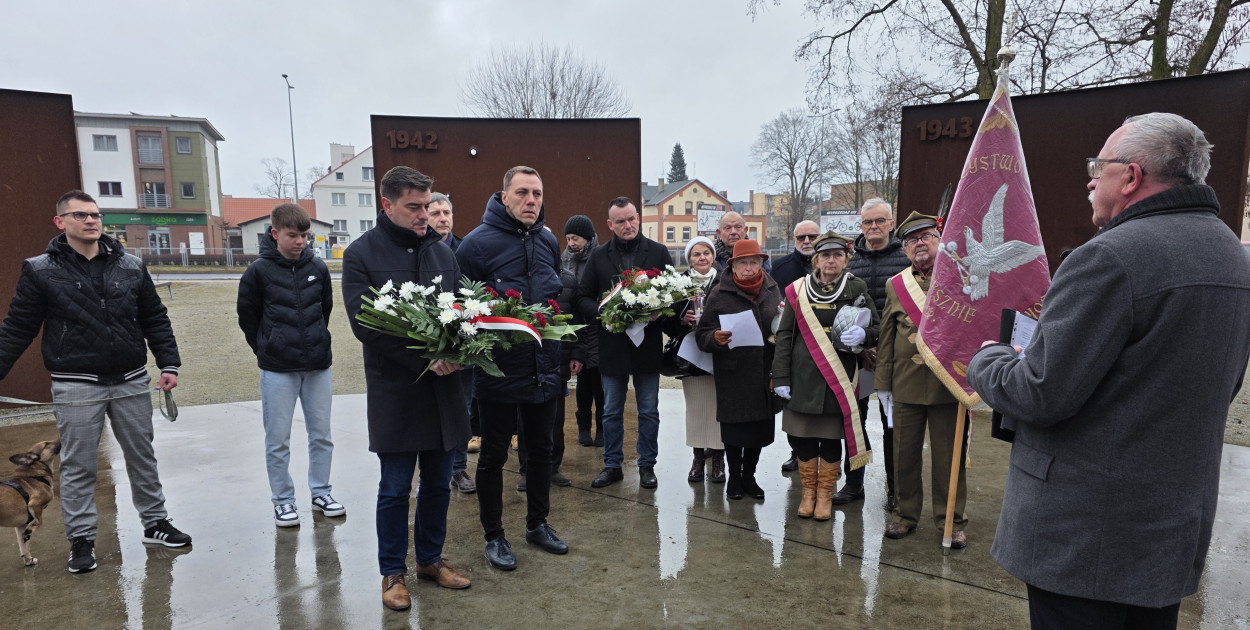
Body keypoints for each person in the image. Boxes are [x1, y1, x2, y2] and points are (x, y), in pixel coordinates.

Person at [966, 113, 1250, 629]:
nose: (1091, 179)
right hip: (1169, 530)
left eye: (1100, 166)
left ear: (1132, 177)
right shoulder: (1232, 256)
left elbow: (1040, 393)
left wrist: (989, 355)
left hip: (1083, 539)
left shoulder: (1109, 258)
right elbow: (1219, 386)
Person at [0, 190, 190, 574]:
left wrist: (168, 362)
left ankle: (155, 524)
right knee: (78, 465)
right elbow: (17, 328)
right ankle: (82, 541)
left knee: (142, 456)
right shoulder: (40, 270)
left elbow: (154, 318)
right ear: (61, 222)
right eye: (81, 215)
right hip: (76, 383)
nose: (91, 220)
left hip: (132, 379)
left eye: (96, 214)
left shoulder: (131, 266)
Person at [343, 167, 470, 608]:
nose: (424, 215)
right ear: (387, 205)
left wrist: (461, 348)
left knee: (438, 482)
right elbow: (366, 325)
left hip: (443, 390)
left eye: (427, 205)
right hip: (396, 389)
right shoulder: (361, 254)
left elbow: (458, 313)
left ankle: (430, 560)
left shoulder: (442, 253)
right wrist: (424, 359)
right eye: (414, 207)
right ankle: (392, 573)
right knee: (397, 487)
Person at [457, 166, 568, 571]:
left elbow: (554, 299)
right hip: (499, 373)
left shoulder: (548, 240)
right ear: (504, 196)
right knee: (493, 455)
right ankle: (494, 536)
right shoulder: (475, 245)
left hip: (543, 368)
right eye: (522, 193)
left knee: (541, 451)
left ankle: (537, 524)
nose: (531, 201)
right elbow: (459, 308)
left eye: (537, 194)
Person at [237, 203, 344, 527]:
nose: (300, 242)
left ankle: (321, 492)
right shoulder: (258, 272)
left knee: (322, 435)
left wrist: (314, 343)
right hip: (278, 370)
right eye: (292, 235)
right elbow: (248, 318)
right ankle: (283, 501)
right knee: (278, 440)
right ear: (275, 233)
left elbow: (324, 309)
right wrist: (269, 348)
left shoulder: (318, 268)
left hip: (317, 367)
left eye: (304, 236)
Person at [874, 212, 967, 547]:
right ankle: (904, 515)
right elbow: (886, 336)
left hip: (947, 384)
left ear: (940, 240)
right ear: (904, 250)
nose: (920, 244)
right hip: (906, 384)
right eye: (912, 240)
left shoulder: (961, 279)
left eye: (926, 236)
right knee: (904, 455)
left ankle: (951, 521)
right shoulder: (896, 285)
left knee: (948, 458)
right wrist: (883, 385)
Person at [772, 232, 878, 520]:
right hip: (802, 377)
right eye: (825, 255)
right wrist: (780, 377)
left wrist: (865, 334)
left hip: (839, 379)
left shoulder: (856, 287)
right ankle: (808, 493)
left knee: (831, 440)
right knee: (804, 438)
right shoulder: (798, 290)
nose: (831, 260)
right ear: (815, 260)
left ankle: (825, 496)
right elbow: (784, 336)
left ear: (846, 259)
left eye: (837, 255)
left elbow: (877, 328)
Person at [577, 197, 674, 489]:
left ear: (638, 218)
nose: (627, 225)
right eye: (620, 221)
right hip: (613, 346)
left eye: (631, 218)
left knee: (648, 410)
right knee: (610, 410)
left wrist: (660, 311)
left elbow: (673, 295)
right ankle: (612, 465)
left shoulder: (658, 252)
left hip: (647, 345)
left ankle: (646, 465)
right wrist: (603, 312)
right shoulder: (598, 256)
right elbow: (583, 297)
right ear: (610, 224)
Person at [694, 239, 782, 500]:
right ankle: (734, 477)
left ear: (761, 263)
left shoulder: (772, 288)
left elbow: (780, 322)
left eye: (754, 262)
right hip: (733, 372)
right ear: (732, 266)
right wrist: (715, 338)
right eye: (743, 262)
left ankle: (749, 476)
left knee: (758, 430)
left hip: (764, 370)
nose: (748, 267)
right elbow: (702, 335)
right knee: (734, 431)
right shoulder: (720, 293)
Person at [843, 199, 910, 509]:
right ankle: (854, 483)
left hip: (895, 357)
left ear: (891, 223)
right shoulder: (848, 261)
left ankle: (896, 490)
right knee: (854, 422)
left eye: (880, 221)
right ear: (861, 226)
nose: (874, 227)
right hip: (856, 357)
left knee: (893, 426)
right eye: (868, 222)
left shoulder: (905, 258)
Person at [664, 236, 725, 484]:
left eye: (707, 253)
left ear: (713, 256)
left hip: (719, 355)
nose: (702, 258)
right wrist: (682, 321)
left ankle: (719, 461)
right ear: (689, 259)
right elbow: (666, 323)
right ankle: (698, 459)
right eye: (696, 254)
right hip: (692, 358)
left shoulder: (724, 280)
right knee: (697, 411)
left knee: (720, 411)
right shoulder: (679, 284)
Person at [428, 192, 477, 495]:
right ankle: (431, 470)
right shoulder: (419, 252)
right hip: (429, 347)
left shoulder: (465, 250)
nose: (442, 218)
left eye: (446, 212)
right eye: (436, 213)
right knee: (430, 411)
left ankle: (459, 470)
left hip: (462, 347)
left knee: (462, 408)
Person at [769, 220, 821, 473]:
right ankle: (797, 451)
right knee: (794, 404)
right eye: (802, 238)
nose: (807, 241)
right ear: (793, 240)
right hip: (792, 345)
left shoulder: (830, 265)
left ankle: (827, 453)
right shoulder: (779, 267)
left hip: (824, 346)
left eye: (812, 236)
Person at [562, 214, 605, 448]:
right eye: (568, 238)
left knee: (600, 385)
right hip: (577, 327)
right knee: (582, 384)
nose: (571, 243)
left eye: (575, 238)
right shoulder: (564, 259)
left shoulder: (598, 258)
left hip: (597, 327)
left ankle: (602, 430)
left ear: (587, 238)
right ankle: (583, 428)